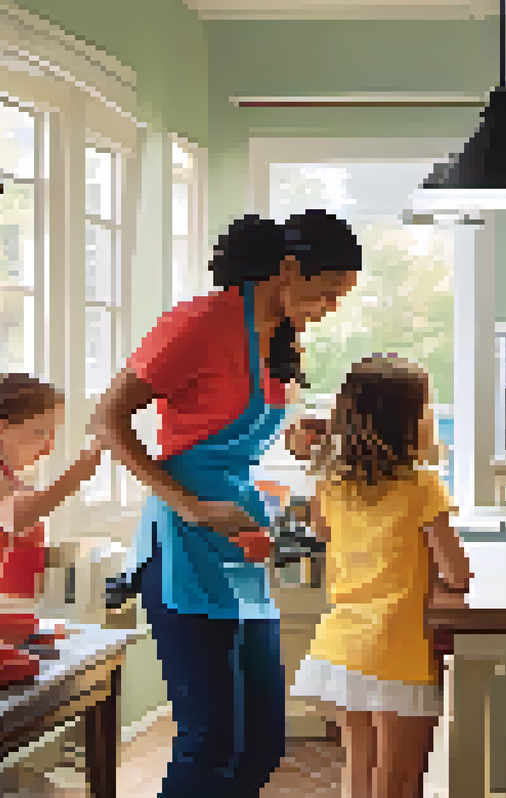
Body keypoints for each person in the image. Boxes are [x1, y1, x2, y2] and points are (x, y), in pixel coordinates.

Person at [91, 210, 361, 795]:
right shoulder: (197, 322)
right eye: (328, 290)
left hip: (239, 544)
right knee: (209, 741)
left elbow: (227, 427)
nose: (331, 306)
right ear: (289, 268)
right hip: (184, 545)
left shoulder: (277, 337)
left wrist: (295, 437)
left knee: (261, 745)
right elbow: (107, 420)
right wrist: (191, 507)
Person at [289, 354, 472, 798]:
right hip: (399, 650)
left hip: (344, 646)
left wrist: (317, 456)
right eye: (427, 409)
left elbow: (324, 531)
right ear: (407, 424)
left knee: (359, 768)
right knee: (398, 782)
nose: (432, 418)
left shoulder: (331, 485)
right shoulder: (424, 487)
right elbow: (457, 573)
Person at [0, 373, 104, 599]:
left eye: (53, 434)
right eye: (39, 432)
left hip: (10, 617)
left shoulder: (9, 481)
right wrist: (76, 475)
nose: (49, 446)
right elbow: (17, 517)